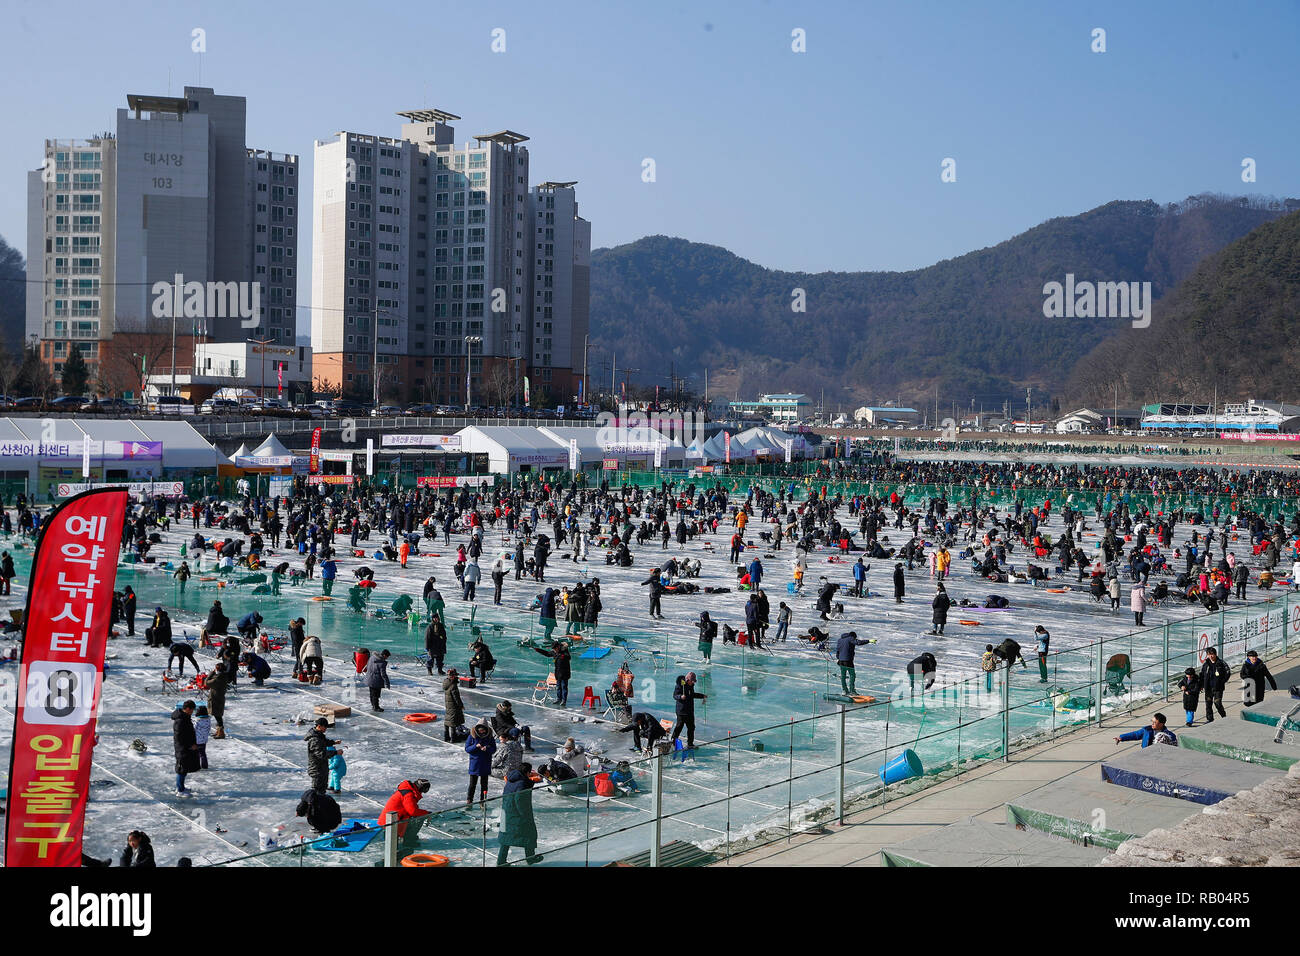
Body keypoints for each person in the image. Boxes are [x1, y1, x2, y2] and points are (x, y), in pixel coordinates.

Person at [497, 767, 542, 866]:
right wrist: (525, 816)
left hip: (507, 812)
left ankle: (501, 862)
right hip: (517, 814)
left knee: (505, 839)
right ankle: (530, 858)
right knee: (530, 834)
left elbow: (522, 788)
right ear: (527, 772)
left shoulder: (511, 780)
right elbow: (520, 800)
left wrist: (530, 781)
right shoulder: (522, 784)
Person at [380, 778, 431, 850]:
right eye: (424, 790)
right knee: (419, 818)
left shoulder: (408, 790)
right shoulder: (408, 794)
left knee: (417, 815)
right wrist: (426, 813)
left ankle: (408, 837)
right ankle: (409, 840)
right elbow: (413, 811)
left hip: (394, 819)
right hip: (391, 822)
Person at [465, 722, 497, 807]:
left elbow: (494, 749)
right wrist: (475, 746)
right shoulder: (472, 737)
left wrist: (487, 748)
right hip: (475, 763)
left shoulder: (490, 737)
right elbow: (467, 749)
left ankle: (483, 800)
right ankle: (469, 800)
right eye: (480, 730)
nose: (482, 732)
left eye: (483, 730)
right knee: (472, 784)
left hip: (485, 763)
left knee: (484, 784)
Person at [531, 638, 571, 706]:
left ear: (558, 647)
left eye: (555, 648)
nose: (554, 650)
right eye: (553, 649)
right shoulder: (555, 652)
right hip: (558, 673)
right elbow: (547, 653)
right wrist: (538, 650)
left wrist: (562, 655)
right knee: (558, 687)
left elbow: (568, 657)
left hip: (564, 673)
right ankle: (559, 699)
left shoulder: (564, 651)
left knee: (564, 687)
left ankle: (564, 701)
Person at [671, 672, 706, 749]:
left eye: (694, 681)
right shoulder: (680, 685)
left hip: (689, 711)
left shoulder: (691, 686)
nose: (693, 683)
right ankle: (673, 740)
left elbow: (692, 695)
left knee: (691, 727)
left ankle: (690, 743)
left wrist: (702, 696)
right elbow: (674, 695)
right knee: (679, 726)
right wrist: (680, 696)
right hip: (681, 711)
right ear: (687, 680)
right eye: (692, 681)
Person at [173, 700, 201, 796]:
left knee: (183, 769)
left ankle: (181, 787)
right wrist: (190, 745)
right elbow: (179, 737)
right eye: (192, 710)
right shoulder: (181, 721)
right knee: (182, 769)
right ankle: (180, 791)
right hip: (182, 749)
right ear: (188, 709)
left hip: (184, 748)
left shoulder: (185, 718)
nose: (192, 712)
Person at [305, 717, 340, 793]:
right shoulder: (315, 739)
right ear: (319, 726)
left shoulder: (319, 735)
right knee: (317, 791)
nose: (326, 729)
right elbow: (321, 754)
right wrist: (335, 753)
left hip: (322, 768)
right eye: (325, 727)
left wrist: (333, 742)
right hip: (317, 769)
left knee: (322, 790)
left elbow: (324, 742)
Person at [835, 630, 875, 696]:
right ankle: (852, 691)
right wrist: (869, 641)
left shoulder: (840, 640)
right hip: (848, 660)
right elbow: (858, 642)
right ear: (853, 636)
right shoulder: (850, 638)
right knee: (852, 675)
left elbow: (838, 650)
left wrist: (839, 658)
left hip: (841, 661)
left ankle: (845, 691)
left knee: (843, 676)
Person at [1200, 647, 1231, 722]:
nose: (1211, 656)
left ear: (1215, 654)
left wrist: (1222, 681)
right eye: (1209, 654)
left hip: (1218, 688)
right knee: (1208, 704)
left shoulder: (1221, 663)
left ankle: (1224, 716)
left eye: (1212, 654)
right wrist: (1201, 685)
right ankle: (1210, 719)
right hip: (1208, 688)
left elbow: (1228, 672)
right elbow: (1201, 674)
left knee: (1217, 703)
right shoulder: (1206, 664)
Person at [1114, 712, 1178, 748]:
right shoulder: (1147, 730)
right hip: (1146, 753)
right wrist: (1121, 737)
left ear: (1161, 724)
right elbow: (1135, 735)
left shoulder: (1169, 735)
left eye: (1155, 722)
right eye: (1152, 721)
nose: (1152, 724)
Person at [206, 664, 229, 738]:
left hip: (216, 698)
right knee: (217, 715)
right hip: (219, 697)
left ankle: (221, 732)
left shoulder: (218, 678)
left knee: (217, 715)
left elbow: (206, 683)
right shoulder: (223, 676)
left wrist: (210, 674)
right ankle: (219, 731)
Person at [443, 668, 466, 741]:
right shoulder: (453, 685)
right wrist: (461, 706)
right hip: (453, 705)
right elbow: (457, 698)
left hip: (448, 704)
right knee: (453, 722)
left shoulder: (446, 683)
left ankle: (446, 737)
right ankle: (453, 738)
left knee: (448, 720)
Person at [193, 704, 211, 769]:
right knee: (203, 753)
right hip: (204, 740)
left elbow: (194, 729)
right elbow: (209, 728)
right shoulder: (208, 720)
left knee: (196, 754)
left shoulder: (197, 720)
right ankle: (204, 765)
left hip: (197, 740)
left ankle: (196, 766)